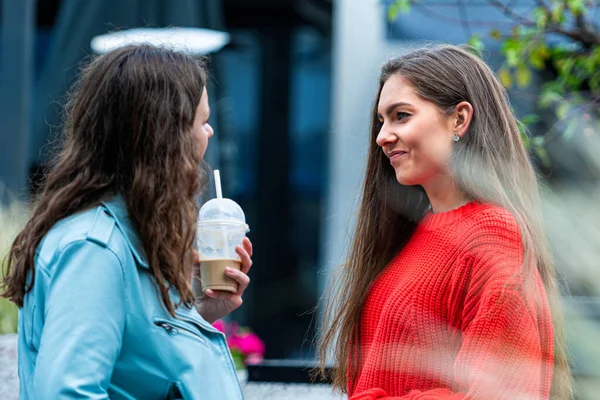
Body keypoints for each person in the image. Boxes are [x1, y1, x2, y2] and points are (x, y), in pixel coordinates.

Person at [318, 45, 572, 400]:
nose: (382, 136)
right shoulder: (414, 235)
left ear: (459, 119)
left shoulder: (491, 235)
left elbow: (504, 392)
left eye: (401, 115)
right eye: (381, 121)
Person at [1, 44, 253, 399]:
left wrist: (199, 314)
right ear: (167, 136)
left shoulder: (128, 237)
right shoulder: (95, 249)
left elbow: (136, 372)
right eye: (202, 121)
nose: (208, 133)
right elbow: (67, 393)